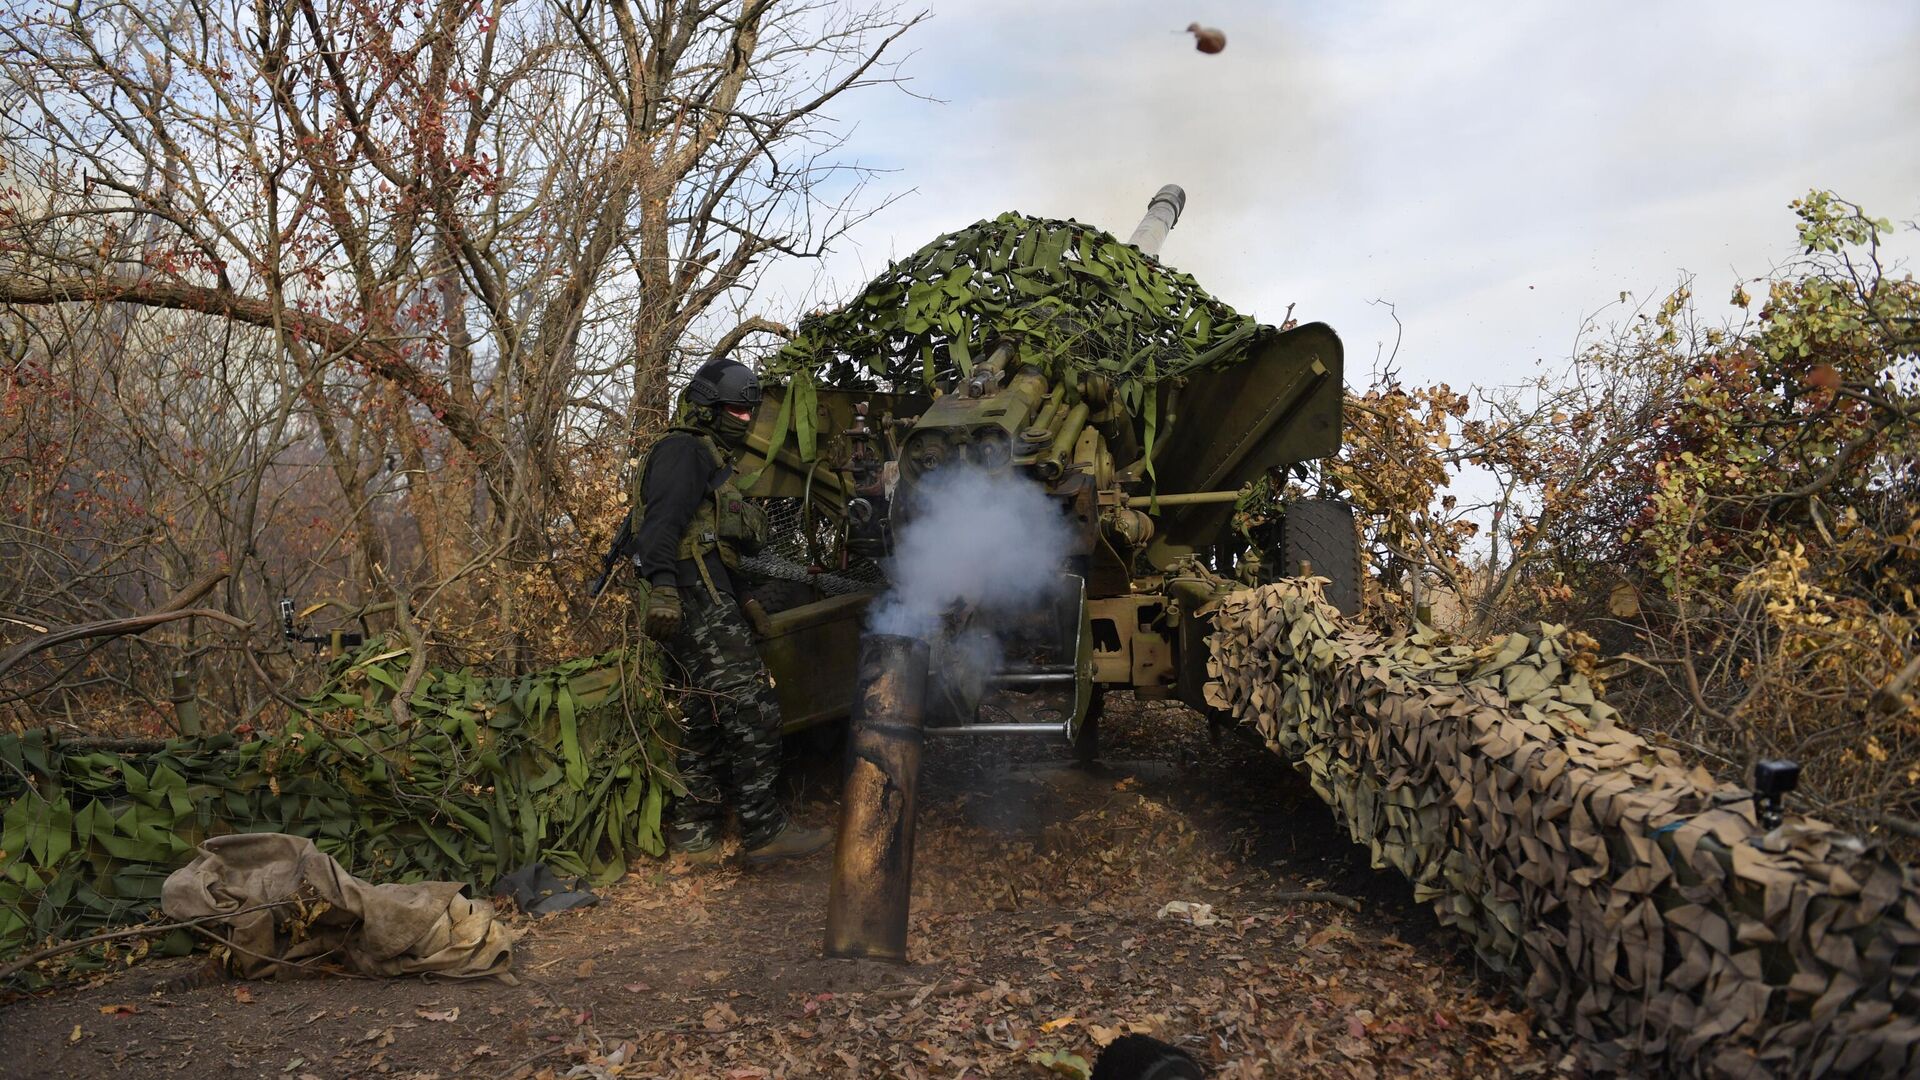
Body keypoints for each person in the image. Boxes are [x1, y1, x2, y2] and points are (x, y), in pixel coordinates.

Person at [628, 357, 831, 866]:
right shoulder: (682, 451)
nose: (745, 420)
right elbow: (660, 529)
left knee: (703, 713)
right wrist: (663, 589)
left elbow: (712, 543)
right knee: (752, 707)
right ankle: (763, 831)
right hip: (691, 598)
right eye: (737, 412)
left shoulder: (706, 456)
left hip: (708, 594)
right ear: (707, 409)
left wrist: (745, 599)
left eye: (748, 412)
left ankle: (695, 837)